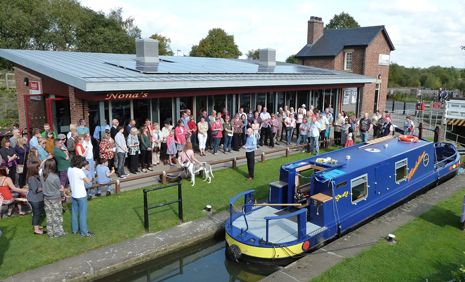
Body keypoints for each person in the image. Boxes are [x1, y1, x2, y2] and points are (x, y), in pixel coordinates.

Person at [68, 156, 94, 237]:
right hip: (81, 195)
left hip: (74, 194)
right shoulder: (79, 171)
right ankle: (84, 232)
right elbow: (87, 181)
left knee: (74, 212)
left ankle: (74, 230)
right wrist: (91, 178)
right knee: (83, 213)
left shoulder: (69, 169)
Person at [41, 159, 67, 238]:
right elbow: (60, 189)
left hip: (46, 198)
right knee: (57, 216)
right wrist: (63, 195)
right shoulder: (55, 177)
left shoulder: (42, 175)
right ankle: (58, 233)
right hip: (55, 198)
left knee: (49, 216)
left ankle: (50, 233)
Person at [26, 162, 46, 234]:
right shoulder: (32, 178)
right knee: (36, 214)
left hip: (38, 198)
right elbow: (35, 190)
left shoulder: (35, 176)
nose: (40, 168)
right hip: (35, 199)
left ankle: (37, 225)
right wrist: (45, 187)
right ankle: (36, 230)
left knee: (39, 212)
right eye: (38, 167)